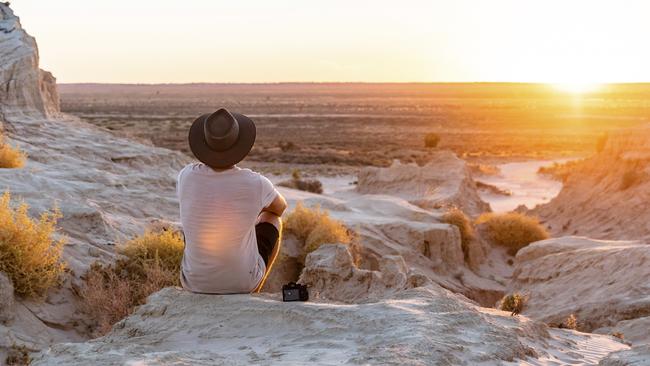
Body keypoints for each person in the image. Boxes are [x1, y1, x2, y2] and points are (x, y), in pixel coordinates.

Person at [177, 108, 287, 294]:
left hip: (194, 283)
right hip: (241, 284)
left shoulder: (186, 175)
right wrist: (251, 212)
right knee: (272, 219)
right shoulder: (256, 182)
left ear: (204, 144)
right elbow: (280, 208)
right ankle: (255, 287)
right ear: (240, 145)